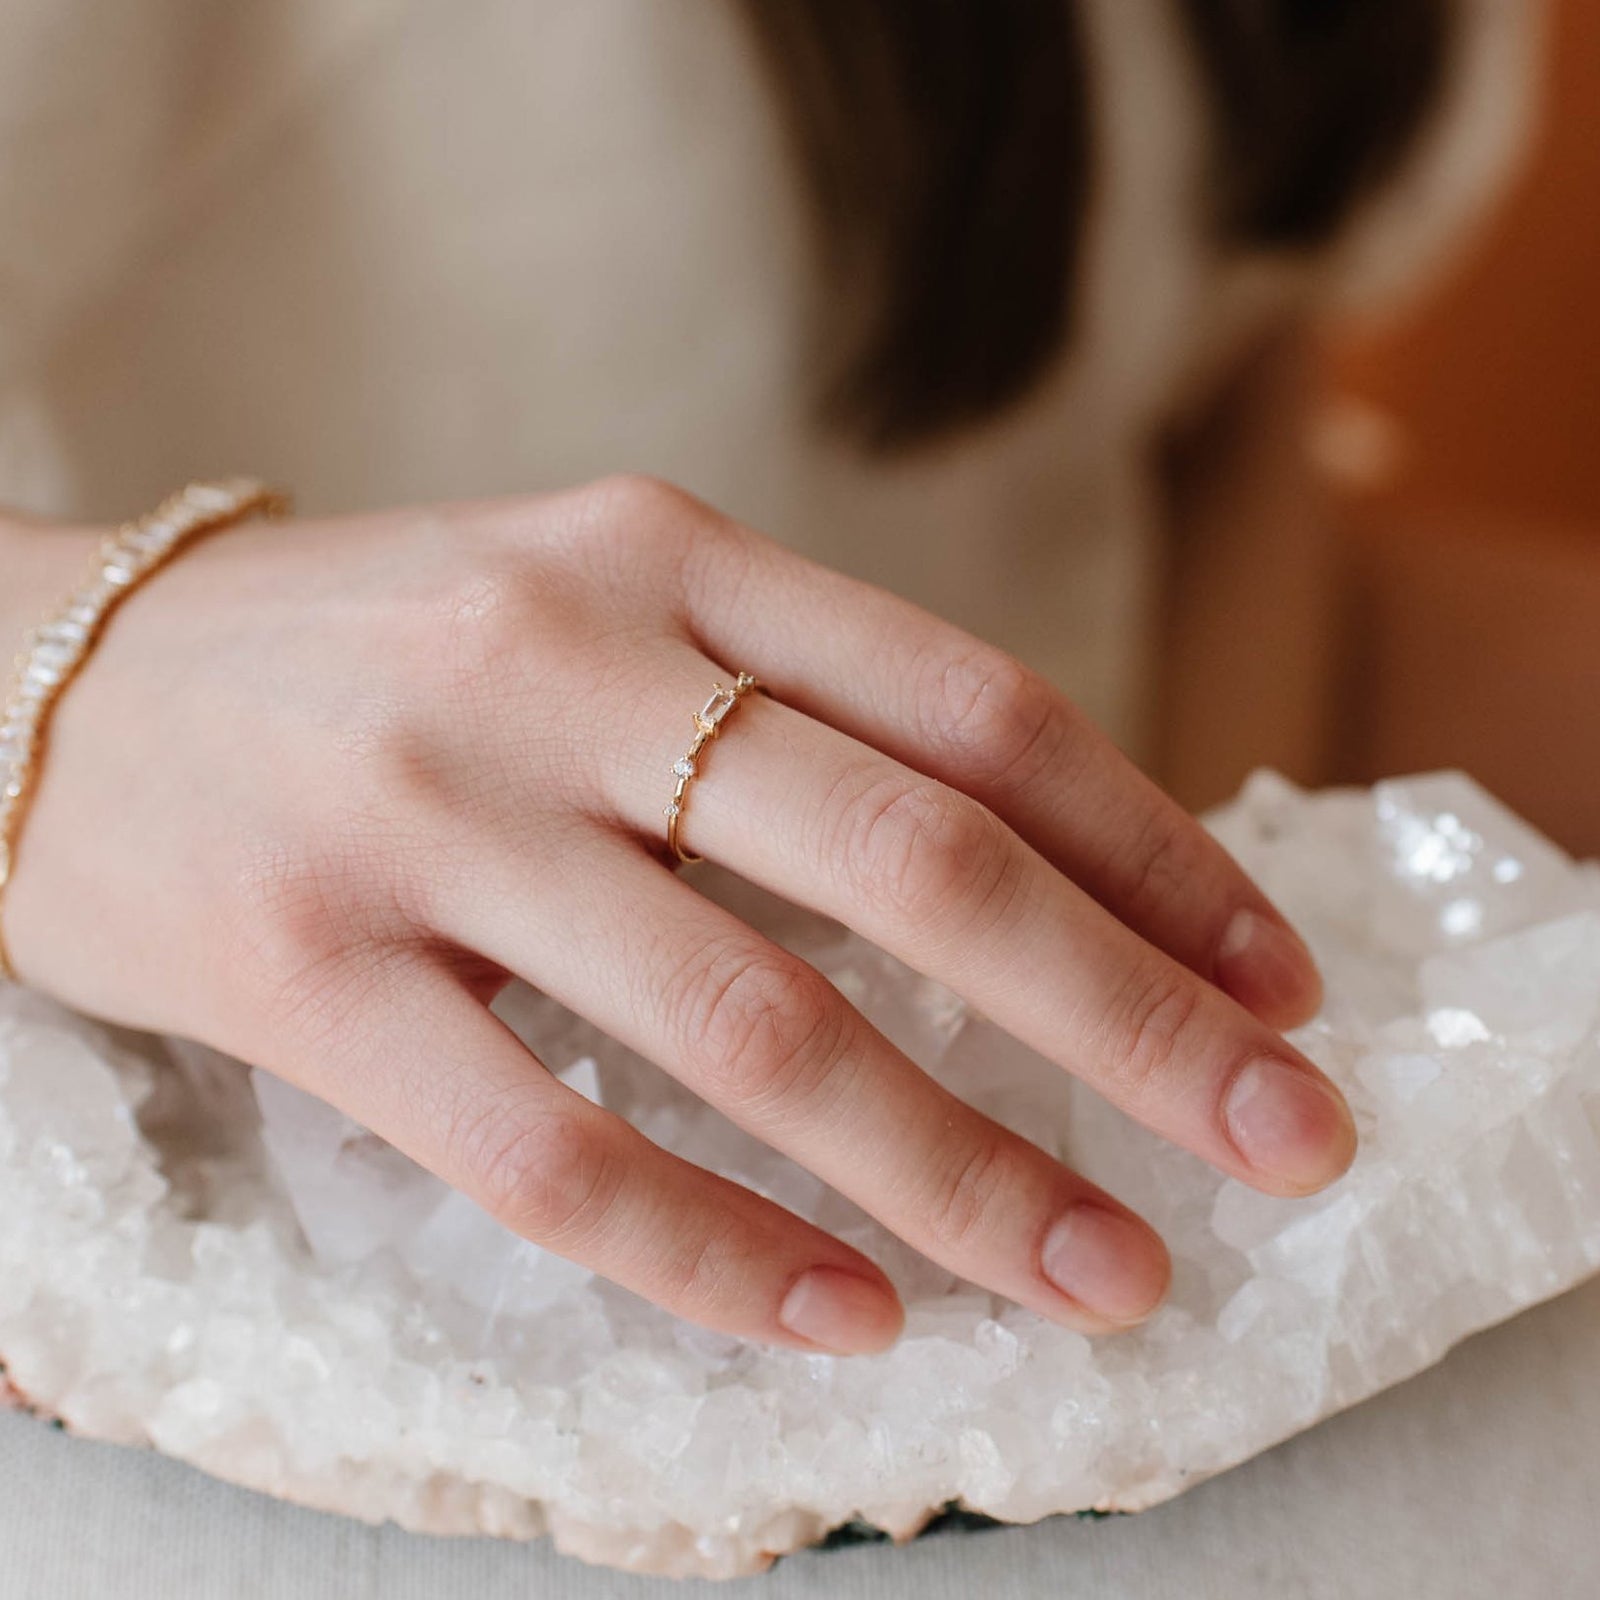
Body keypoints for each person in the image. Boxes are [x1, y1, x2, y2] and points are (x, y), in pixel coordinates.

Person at [0, 0, 1531, 1361]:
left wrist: (1186, 1139)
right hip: (185, 1251)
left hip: (936, 1253)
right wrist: (69, 663)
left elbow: (1208, 395)